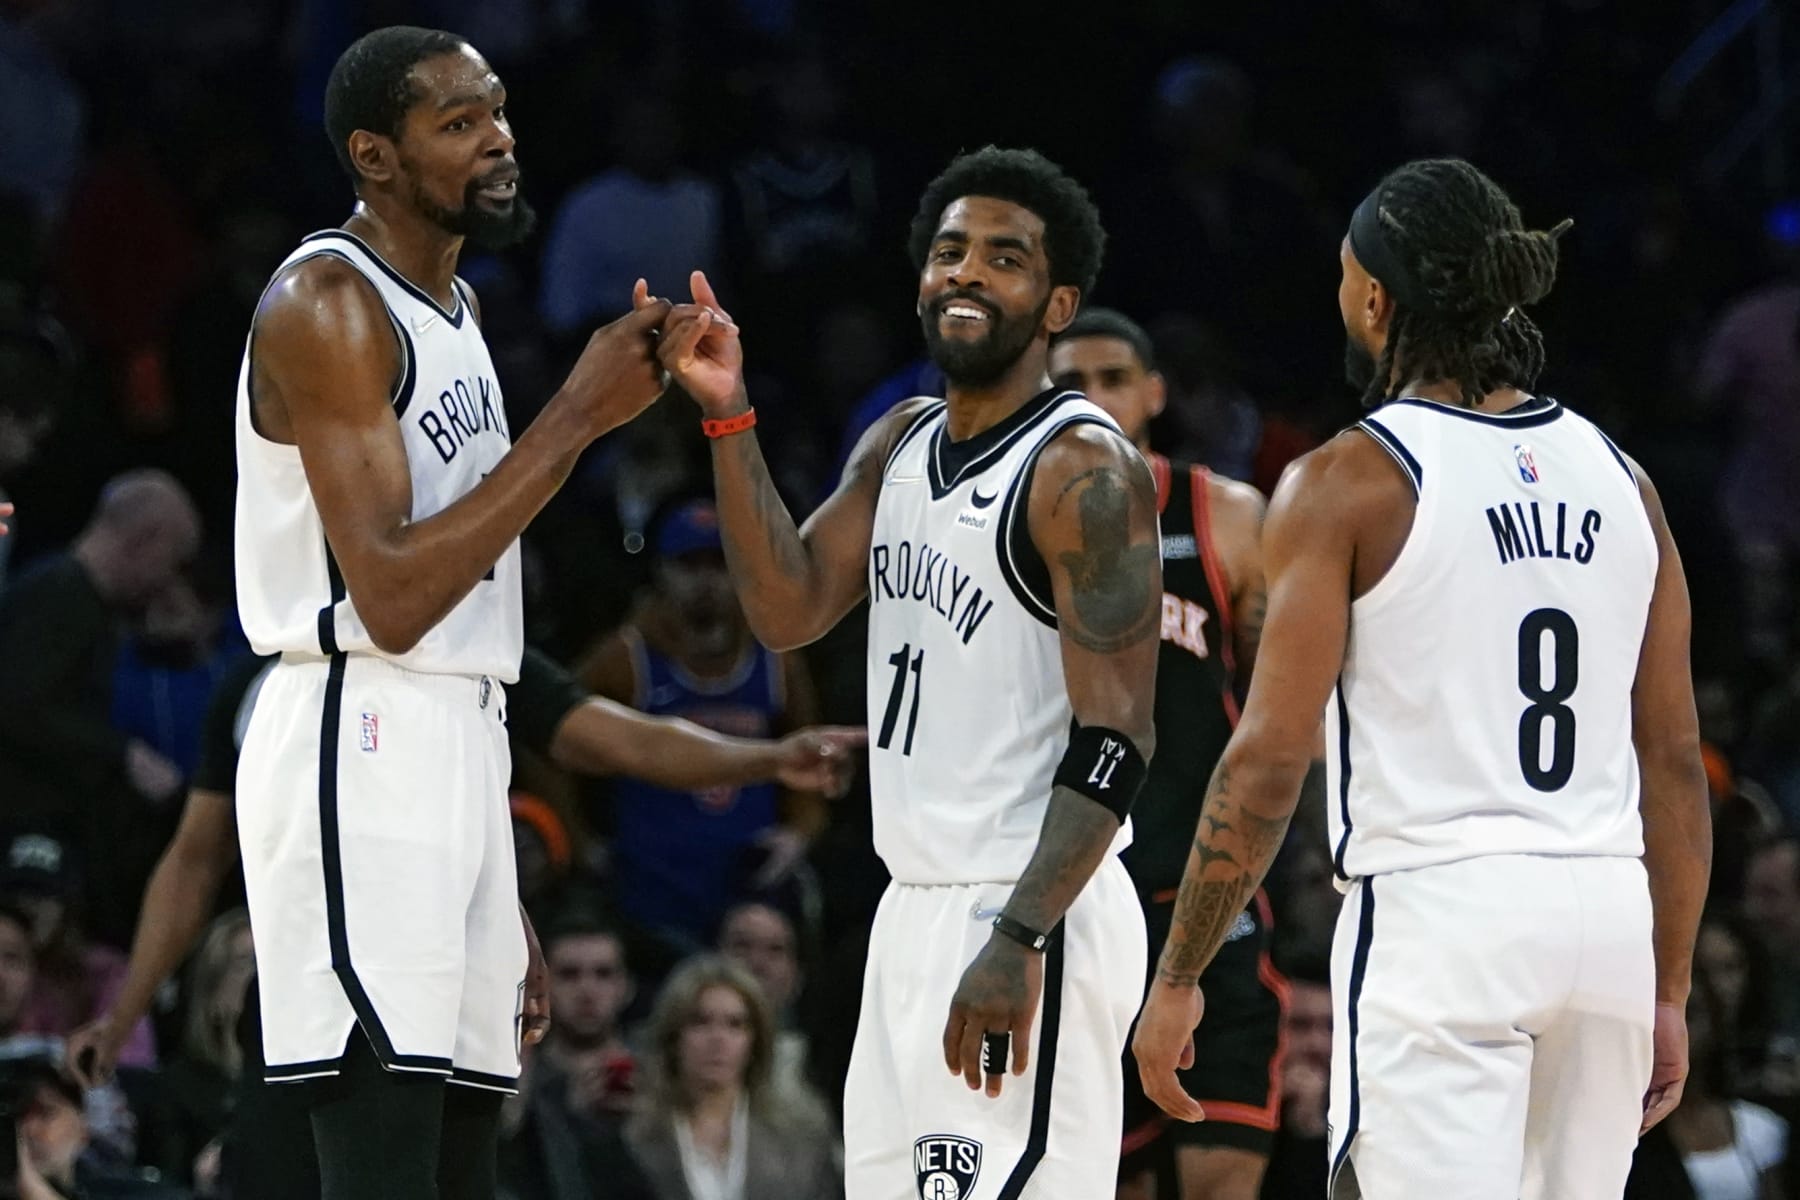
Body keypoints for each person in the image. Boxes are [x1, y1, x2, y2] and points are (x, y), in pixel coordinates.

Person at [226, 21, 755, 1195]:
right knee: (385, 1167)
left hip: (458, 741)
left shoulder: (455, 307)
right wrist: (578, 416)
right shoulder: (328, 301)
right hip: (360, 730)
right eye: (459, 123)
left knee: (469, 1165)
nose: (501, 141)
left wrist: (493, 885)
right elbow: (394, 596)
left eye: (499, 111)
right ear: (374, 155)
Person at [1131, 156, 1711, 1200]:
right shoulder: (1626, 480)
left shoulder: (1348, 480)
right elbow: (1671, 759)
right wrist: (1668, 991)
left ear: (1373, 299)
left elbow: (1268, 760)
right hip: (1608, 918)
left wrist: (1179, 974)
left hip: (1443, 914)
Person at [651, 145, 1162, 1198]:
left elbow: (1119, 740)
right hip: (913, 904)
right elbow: (786, 610)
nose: (966, 272)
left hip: (1027, 906)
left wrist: (1020, 935)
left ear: (1059, 304)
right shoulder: (899, 443)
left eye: (1006, 259)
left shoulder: (1081, 468)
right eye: (950, 251)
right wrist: (728, 414)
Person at [1050, 309, 1292, 1200]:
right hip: (1082, 894)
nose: (1093, 399)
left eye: (1113, 379)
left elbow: (1283, 711)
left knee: (1222, 1166)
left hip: (1207, 885)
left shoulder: (1225, 515)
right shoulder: (1019, 528)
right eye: (1070, 384)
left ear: (1155, 393)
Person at [580, 497, 831, 949]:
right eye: (689, 565)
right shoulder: (625, 657)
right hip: (651, 887)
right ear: (661, 572)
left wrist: (800, 830)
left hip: (746, 887)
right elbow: (552, 739)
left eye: (719, 565)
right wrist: (578, 838)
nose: (706, 582)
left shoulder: (777, 659)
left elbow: (813, 753)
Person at [0, 471, 198, 840]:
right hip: (24, 833)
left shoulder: (81, 602)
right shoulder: (59, 596)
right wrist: (125, 754)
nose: (168, 582)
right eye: (172, 561)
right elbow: (16, 703)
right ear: (146, 540)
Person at [624, 956, 839, 1200]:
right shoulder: (632, 1134)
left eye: (735, 1024)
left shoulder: (801, 1135)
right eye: (700, 1022)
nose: (718, 1039)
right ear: (674, 1036)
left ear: (755, 1040)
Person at [1625, 972, 1789, 1200]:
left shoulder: (1760, 1127)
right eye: (1654, 1018)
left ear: (1715, 1025)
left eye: (1689, 1014)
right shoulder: (1621, 1131)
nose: (1671, 1032)